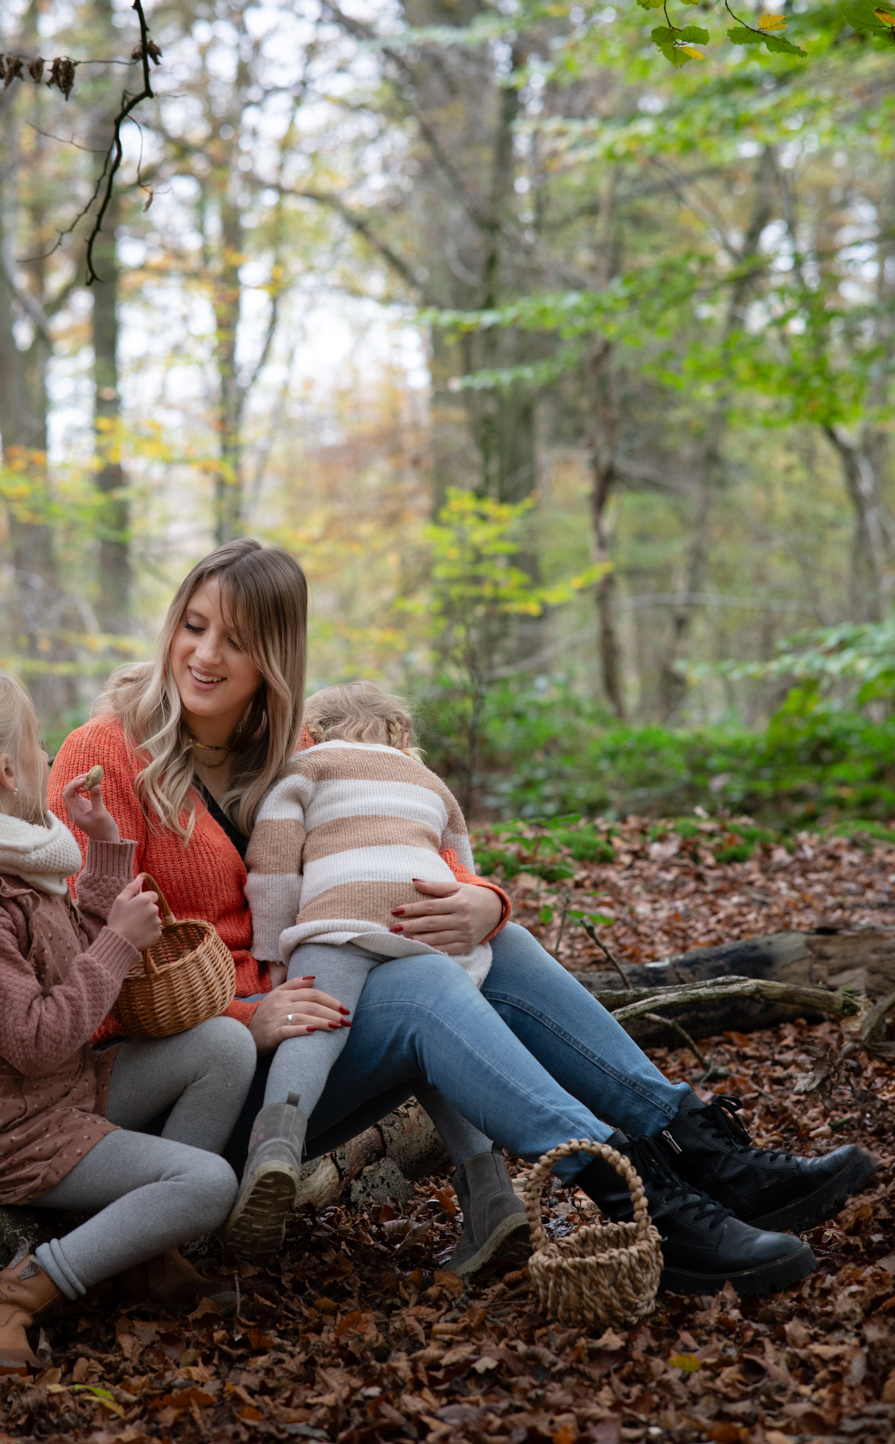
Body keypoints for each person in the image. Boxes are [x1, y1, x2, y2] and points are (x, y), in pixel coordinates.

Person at [50, 538, 877, 1299]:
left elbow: (393, 836)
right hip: (195, 1089)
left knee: (495, 942)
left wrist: (481, 898)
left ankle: (704, 1151)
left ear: (275, 655)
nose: (204, 654)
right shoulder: (103, 755)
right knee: (417, 985)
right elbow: (78, 961)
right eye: (193, 626)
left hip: (310, 1035)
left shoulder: (295, 751)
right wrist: (246, 1015)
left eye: (234, 638)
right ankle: (644, 1202)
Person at [0, 666, 256, 1374]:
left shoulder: (19, 856)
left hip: (62, 1093)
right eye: (34, 742)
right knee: (207, 1184)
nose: (47, 753)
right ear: (4, 768)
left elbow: (72, 960)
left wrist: (106, 848)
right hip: (6, 1129)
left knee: (223, 1044)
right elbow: (37, 1038)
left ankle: (149, 1258)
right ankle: (10, 1297)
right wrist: (119, 943)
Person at [228, 680, 496, 1253]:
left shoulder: (304, 768)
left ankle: (273, 1150)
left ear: (314, 729)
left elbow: (272, 865)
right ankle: (491, 1188)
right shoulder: (429, 781)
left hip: (340, 918)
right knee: (433, 1047)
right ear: (401, 734)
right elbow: (462, 866)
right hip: (425, 921)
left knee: (314, 1021)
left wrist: (275, 955)